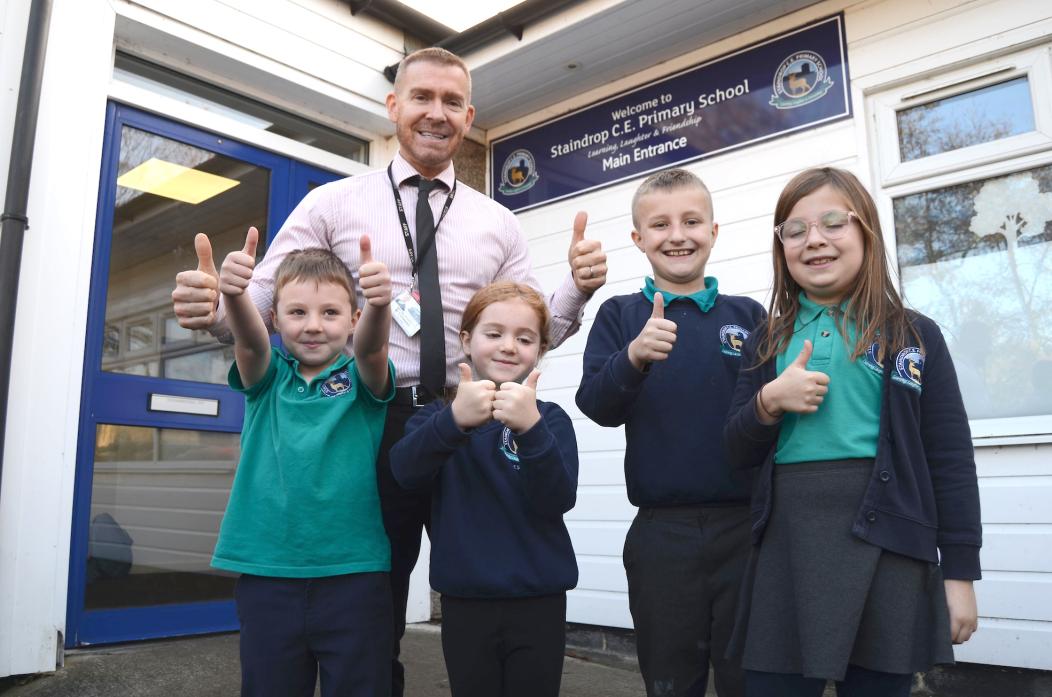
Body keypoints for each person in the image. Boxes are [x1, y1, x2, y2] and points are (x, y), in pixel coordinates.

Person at [170, 47, 607, 696]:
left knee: (481, 585)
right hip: (370, 417)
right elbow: (261, 304)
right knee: (374, 601)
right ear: (394, 106)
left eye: (451, 102)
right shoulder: (333, 204)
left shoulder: (498, 223)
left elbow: (529, 328)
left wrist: (575, 290)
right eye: (422, 97)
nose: (436, 112)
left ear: (469, 115)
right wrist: (212, 308)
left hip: (468, 420)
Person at [723, 167, 981, 697]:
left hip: (889, 548)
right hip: (786, 547)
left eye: (833, 222)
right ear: (782, 248)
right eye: (795, 230)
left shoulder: (912, 334)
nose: (814, 239)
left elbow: (950, 461)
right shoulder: (765, 341)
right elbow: (734, 449)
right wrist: (768, 403)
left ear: (866, 232)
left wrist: (959, 574)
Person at [575, 169, 765, 697]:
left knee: (748, 677)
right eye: (659, 224)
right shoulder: (620, 314)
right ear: (638, 239)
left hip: (745, 530)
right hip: (662, 534)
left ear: (714, 231)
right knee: (668, 678)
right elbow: (596, 405)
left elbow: (770, 417)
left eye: (691, 221)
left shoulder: (748, 316)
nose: (677, 235)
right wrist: (633, 358)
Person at [210, 229, 395, 697]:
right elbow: (249, 344)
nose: (313, 325)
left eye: (330, 313)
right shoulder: (267, 377)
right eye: (297, 312)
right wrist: (233, 295)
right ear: (275, 318)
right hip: (268, 575)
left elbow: (373, 350)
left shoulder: (361, 381)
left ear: (351, 320)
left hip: (353, 575)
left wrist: (379, 305)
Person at [389, 281, 578, 697]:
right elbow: (404, 471)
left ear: (540, 350)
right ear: (466, 340)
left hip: (539, 599)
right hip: (466, 600)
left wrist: (530, 431)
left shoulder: (552, 421)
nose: (509, 346)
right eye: (494, 334)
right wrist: (454, 420)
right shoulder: (440, 417)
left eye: (524, 338)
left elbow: (557, 498)